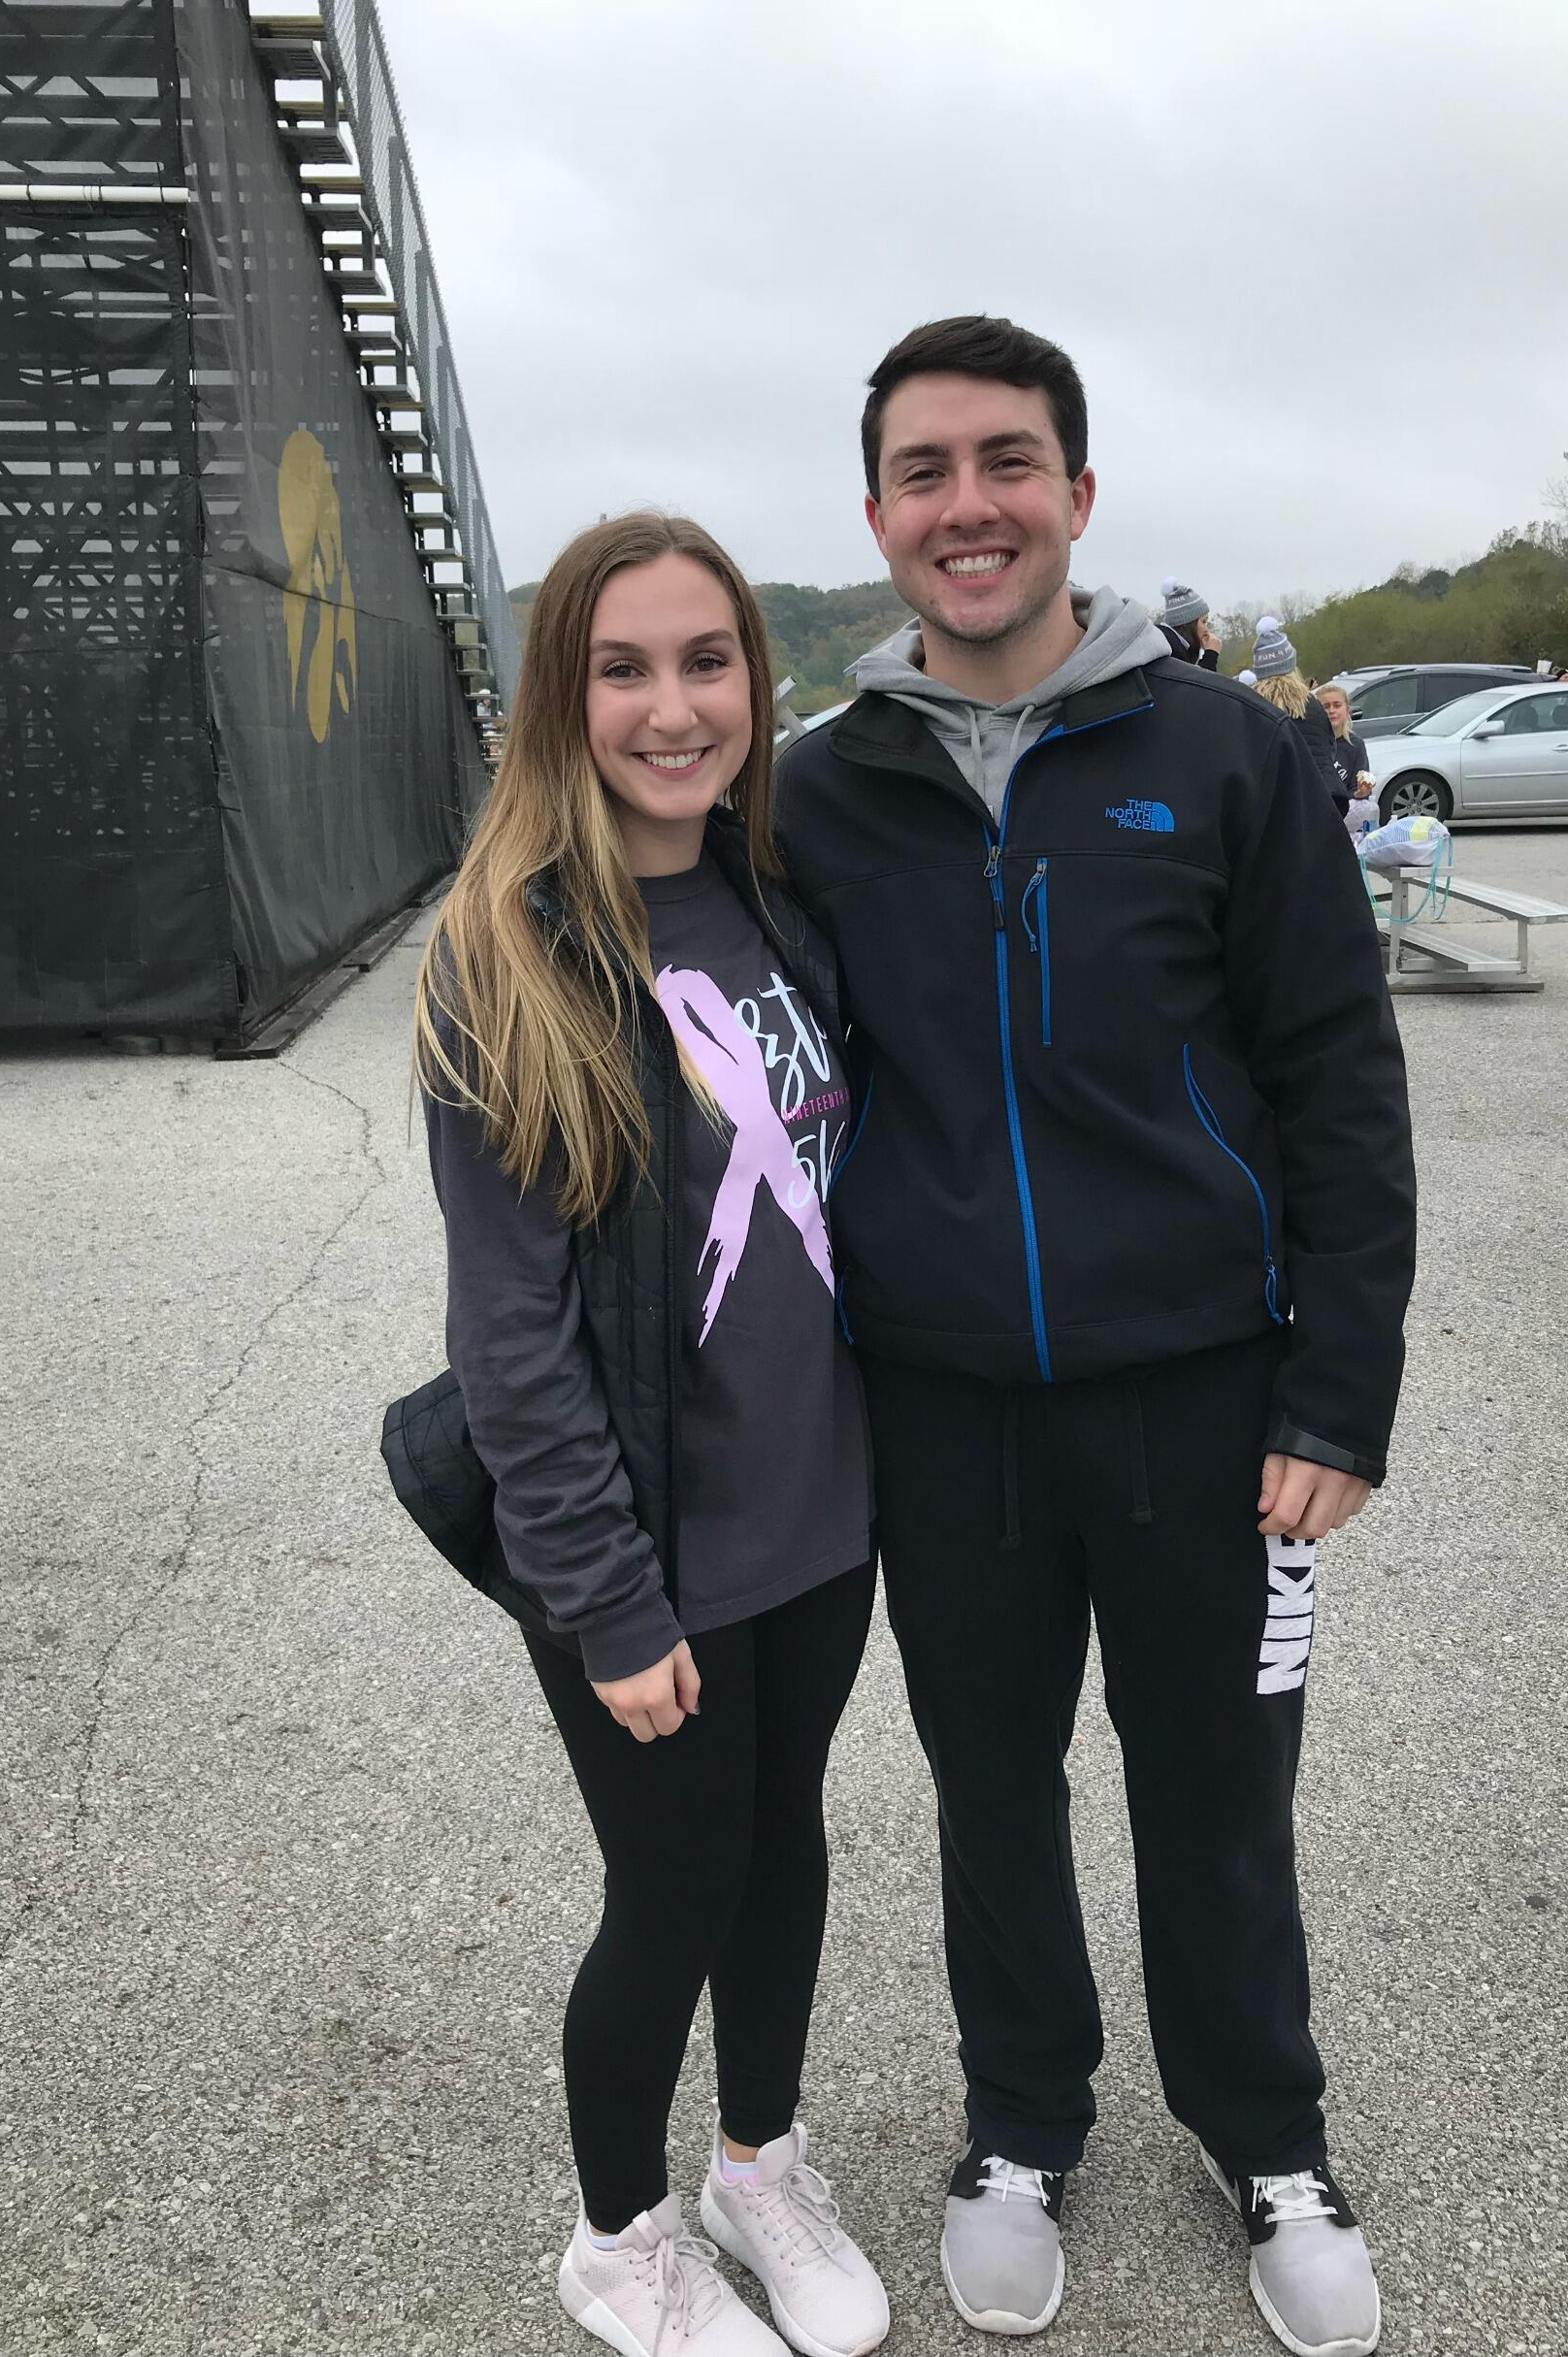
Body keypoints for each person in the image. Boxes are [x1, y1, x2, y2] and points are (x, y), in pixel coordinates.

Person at [775, 316, 1414, 2357]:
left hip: (1206, 1393)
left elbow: (1338, 1077)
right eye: (925, 470)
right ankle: (1020, 2125)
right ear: (876, 510)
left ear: (1076, 490)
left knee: (1216, 1789)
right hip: (940, 1402)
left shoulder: (1223, 754)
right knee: (989, 1787)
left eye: (1006, 461)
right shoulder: (818, 792)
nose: (967, 506)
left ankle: (1268, 2135)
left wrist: (1340, 1386)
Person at [415, 512, 889, 2357]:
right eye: (623, 668)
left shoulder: (778, 900)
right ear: (564, 696)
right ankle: (619, 2236)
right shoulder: (504, 955)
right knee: (675, 1886)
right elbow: (509, 1335)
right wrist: (604, 1598)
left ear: (756, 686)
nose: (673, 707)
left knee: (784, 1851)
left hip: (818, 1515)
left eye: (708, 662)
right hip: (643, 1549)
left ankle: (759, 2163)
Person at [1254, 617, 1346, 808]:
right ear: (1291, 665)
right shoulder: (1312, 704)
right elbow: (1329, 748)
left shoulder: (1253, 706)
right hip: (1322, 797)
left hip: (1276, 803)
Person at [1316, 681, 1372, 813]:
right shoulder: (1310, 742)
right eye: (1326, 706)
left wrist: (1361, 792)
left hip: (1344, 813)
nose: (1331, 711)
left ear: (1347, 710)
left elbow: (1357, 788)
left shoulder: (1356, 745)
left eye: (1337, 705)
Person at [1157, 577, 1221, 670]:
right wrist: (1211, 655)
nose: (1206, 629)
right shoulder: (1172, 653)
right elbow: (1196, 679)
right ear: (1189, 623)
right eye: (1203, 621)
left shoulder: (1166, 645)